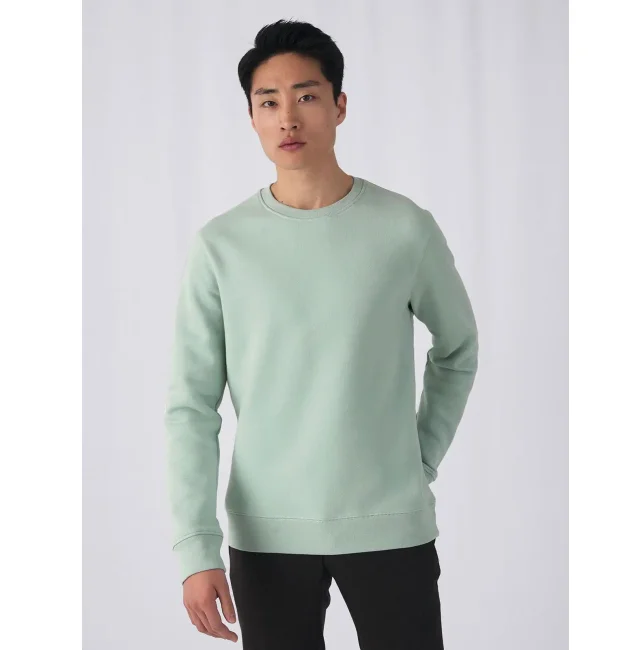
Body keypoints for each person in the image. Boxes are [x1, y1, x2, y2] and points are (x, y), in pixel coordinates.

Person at [163, 18, 479, 649]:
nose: (288, 118)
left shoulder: (404, 228)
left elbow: (458, 349)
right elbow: (191, 405)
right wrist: (195, 547)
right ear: (251, 117)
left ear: (339, 105)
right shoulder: (222, 245)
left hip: (390, 526)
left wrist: (419, 458)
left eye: (306, 96)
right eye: (268, 102)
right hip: (266, 534)